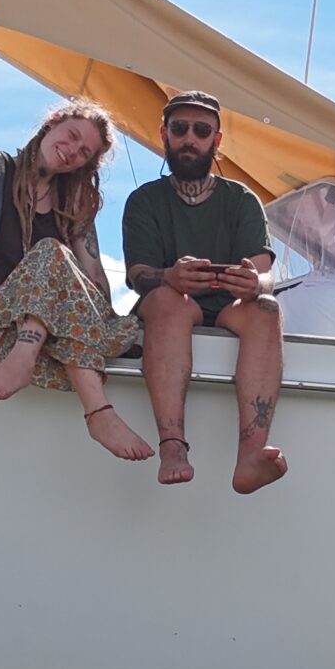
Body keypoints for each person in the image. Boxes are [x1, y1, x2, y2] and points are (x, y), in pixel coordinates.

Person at [0, 100, 153, 463]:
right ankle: (96, 410)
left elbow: (93, 272)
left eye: (84, 153)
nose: (72, 151)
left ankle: (37, 363)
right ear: (52, 122)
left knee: (117, 313)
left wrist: (102, 321)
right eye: (72, 136)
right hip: (8, 313)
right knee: (50, 250)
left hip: (61, 329)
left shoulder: (74, 196)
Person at [122, 92, 287, 493]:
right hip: (173, 309)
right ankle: (172, 447)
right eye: (180, 129)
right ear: (164, 134)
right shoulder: (145, 201)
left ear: (217, 139)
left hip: (231, 307)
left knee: (266, 308)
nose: (190, 139)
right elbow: (138, 275)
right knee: (167, 301)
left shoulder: (241, 199)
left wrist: (254, 283)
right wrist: (171, 277)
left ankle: (251, 455)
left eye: (201, 130)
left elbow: (265, 276)